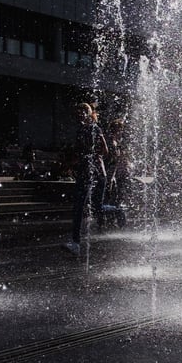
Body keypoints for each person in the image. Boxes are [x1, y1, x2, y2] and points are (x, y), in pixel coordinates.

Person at [64, 103, 108, 255]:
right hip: (84, 172)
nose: (79, 115)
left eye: (82, 112)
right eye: (77, 113)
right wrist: (74, 163)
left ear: (88, 114)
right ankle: (76, 243)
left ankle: (119, 211)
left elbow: (105, 149)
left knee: (97, 207)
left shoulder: (95, 128)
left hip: (96, 173)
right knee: (78, 207)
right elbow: (78, 153)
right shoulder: (80, 130)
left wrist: (93, 158)